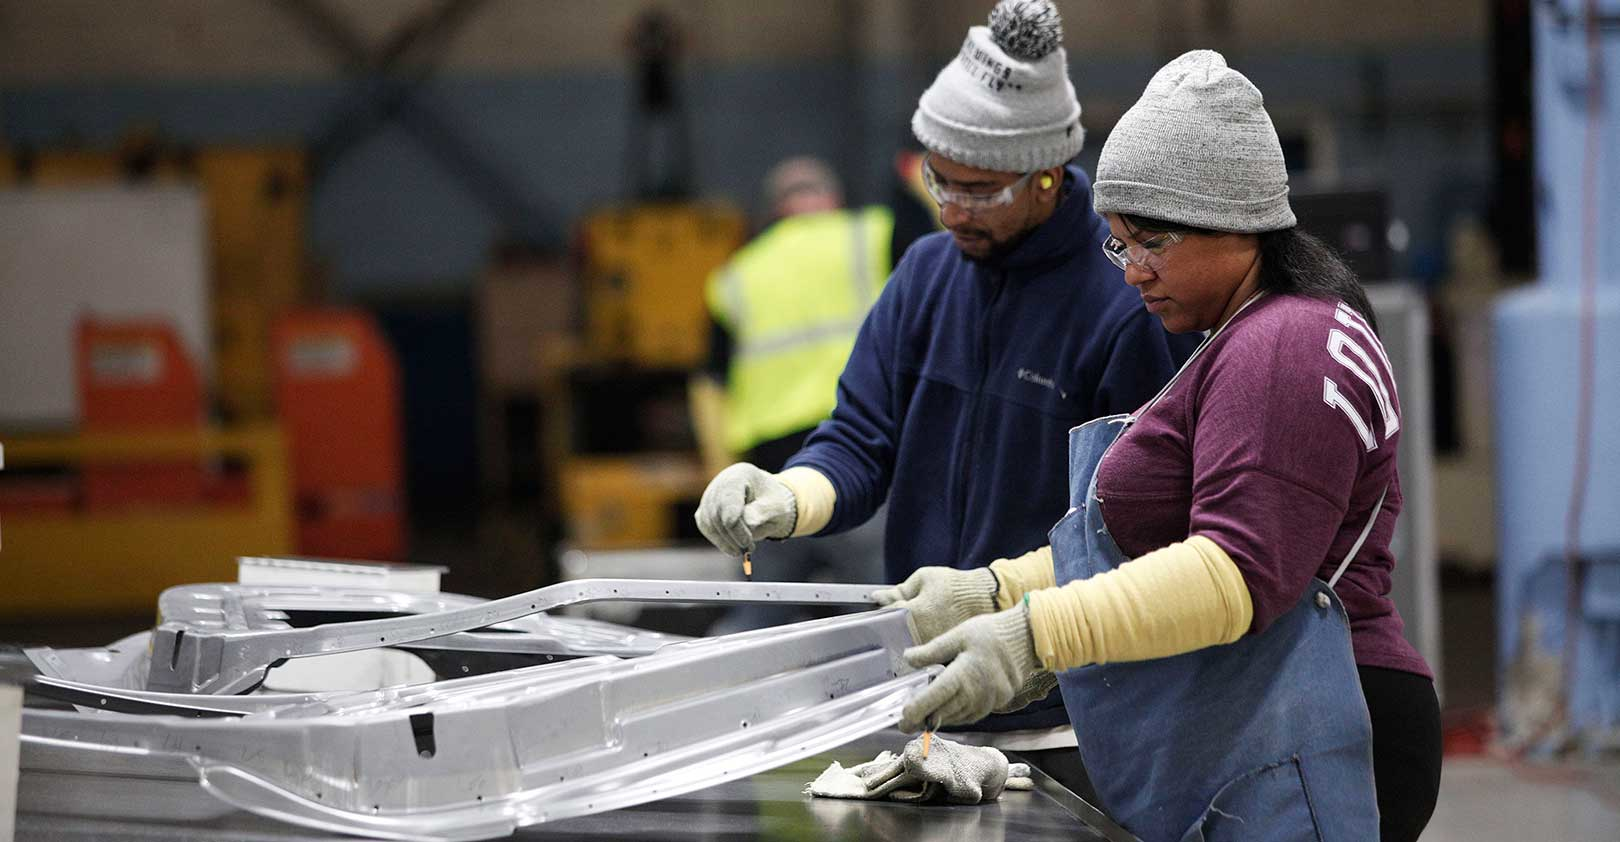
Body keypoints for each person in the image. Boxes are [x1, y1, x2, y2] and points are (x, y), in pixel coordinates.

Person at [887, 50, 1442, 842]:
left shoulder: (1285, 347)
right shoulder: (1244, 340)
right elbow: (1155, 540)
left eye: (1152, 241)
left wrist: (1035, 637)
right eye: (1118, 244)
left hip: (1317, 735)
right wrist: (994, 590)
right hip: (1270, 729)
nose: (1132, 272)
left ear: (1235, 220)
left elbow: (1232, 574)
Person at [693, 0, 1199, 801]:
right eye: (938, 181)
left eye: (980, 190)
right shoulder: (925, 279)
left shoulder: (1123, 306)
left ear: (1046, 174)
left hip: (1077, 725)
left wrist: (1032, 637)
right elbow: (860, 443)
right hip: (934, 713)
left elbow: (1139, 535)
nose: (952, 209)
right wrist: (784, 497)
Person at [691, 156, 892, 633]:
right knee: (882, 615)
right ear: (833, 198)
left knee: (759, 623)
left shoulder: (736, 277)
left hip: (771, 473)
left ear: (774, 210)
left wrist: (720, 474)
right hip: (860, 459)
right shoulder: (872, 236)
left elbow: (709, 386)